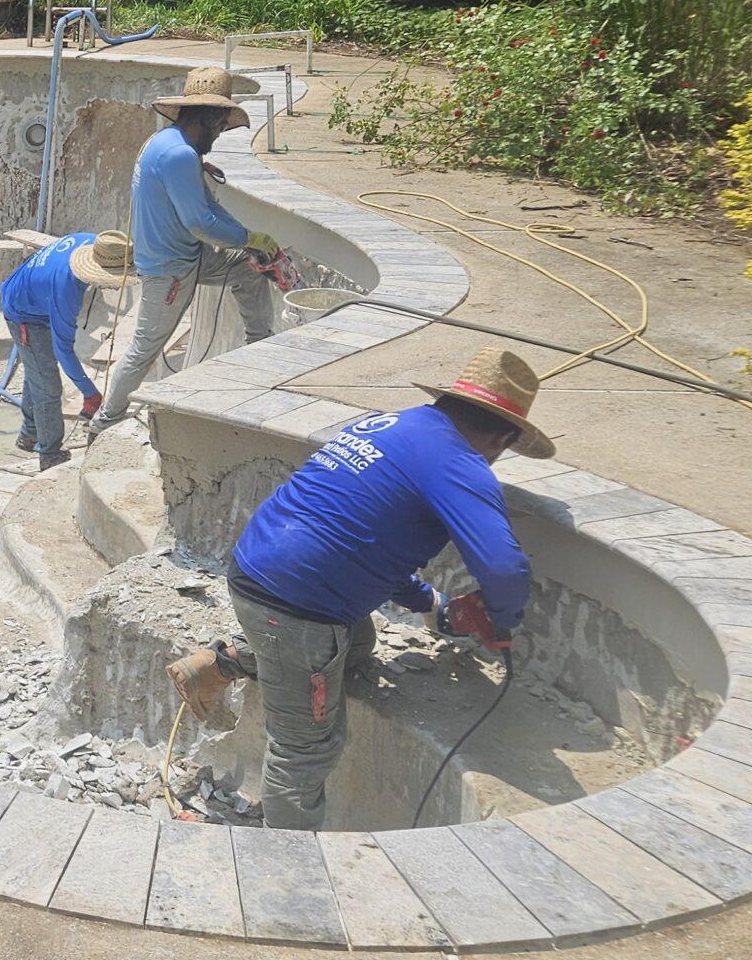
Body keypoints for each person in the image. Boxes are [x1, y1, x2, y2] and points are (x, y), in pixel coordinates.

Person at [171, 348, 553, 830]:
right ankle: (280, 859)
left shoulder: (392, 425)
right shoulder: (459, 462)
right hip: (295, 605)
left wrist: (430, 604)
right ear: (501, 437)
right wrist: (502, 617)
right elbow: (503, 568)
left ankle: (221, 662)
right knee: (305, 748)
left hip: (259, 565)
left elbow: (365, 539)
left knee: (354, 645)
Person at [93, 67, 285, 428]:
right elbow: (201, 223)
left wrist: (250, 239)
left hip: (187, 255)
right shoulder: (178, 155)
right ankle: (104, 421)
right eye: (220, 126)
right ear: (209, 117)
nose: (220, 134)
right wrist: (250, 237)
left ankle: (259, 347)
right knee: (143, 351)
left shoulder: (169, 142)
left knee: (249, 267)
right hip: (169, 272)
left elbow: (207, 206)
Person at [0, 230, 136, 472]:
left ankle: (30, 434)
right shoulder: (66, 290)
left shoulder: (101, 245)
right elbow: (63, 350)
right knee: (48, 385)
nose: (113, 287)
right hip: (23, 311)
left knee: (37, 369)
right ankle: (49, 454)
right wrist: (90, 393)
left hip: (33, 294)